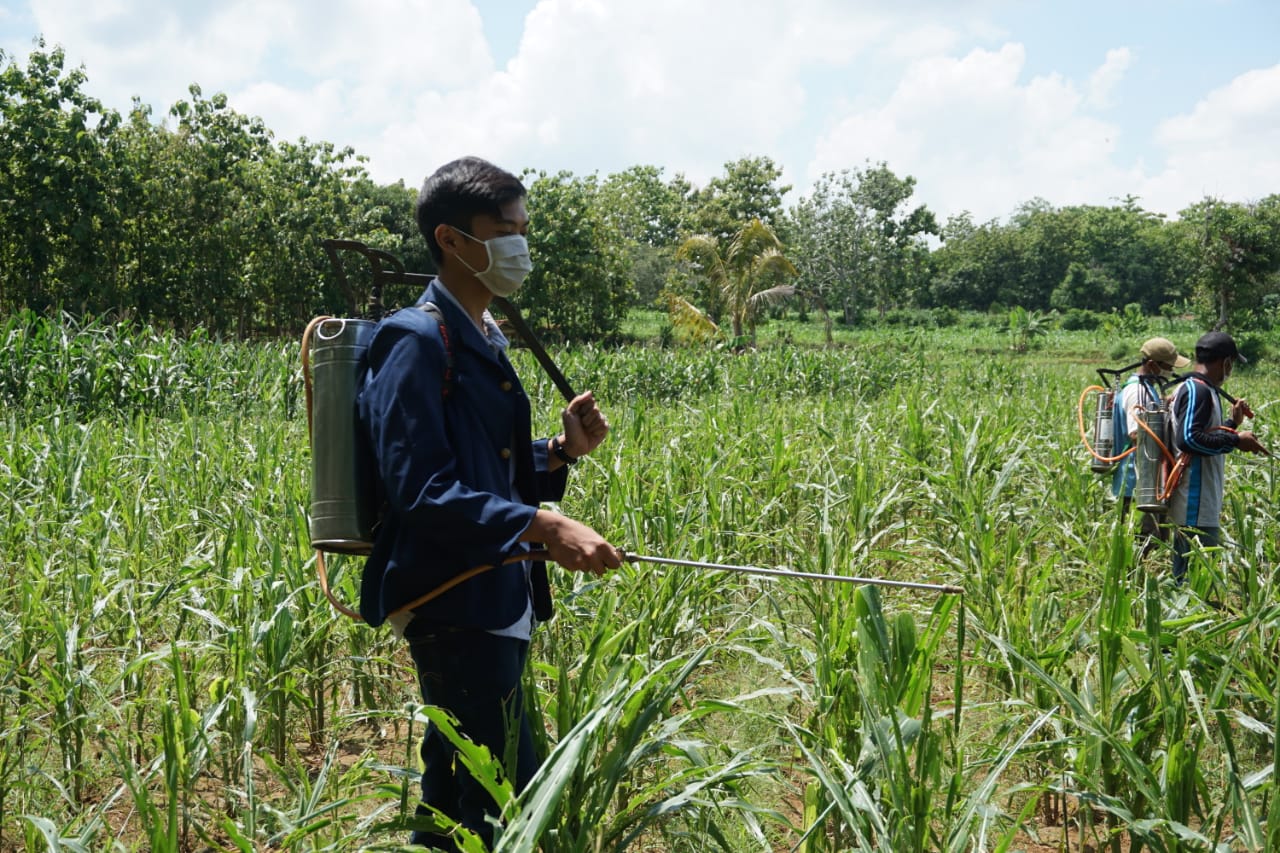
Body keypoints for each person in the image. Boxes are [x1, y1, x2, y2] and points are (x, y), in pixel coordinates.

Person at [356, 156, 624, 848]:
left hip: (489, 598)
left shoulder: (477, 334)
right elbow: (421, 489)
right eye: (505, 232)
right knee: (503, 803)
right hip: (455, 602)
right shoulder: (415, 340)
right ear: (450, 239)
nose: (519, 246)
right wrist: (545, 525)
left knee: (458, 807)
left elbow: (479, 464)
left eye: (523, 231)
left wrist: (558, 454)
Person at [1167, 331, 1267, 584]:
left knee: (1195, 577)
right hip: (1194, 501)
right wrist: (1236, 440)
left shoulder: (1201, 389)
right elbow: (1188, 440)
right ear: (1226, 363)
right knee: (1193, 581)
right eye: (1231, 364)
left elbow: (1204, 435)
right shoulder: (1198, 391)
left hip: (1199, 501)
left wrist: (1232, 424)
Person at [1111, 337, 1189, 552]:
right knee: (1144, 545)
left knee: (1149, 542)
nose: (1171, 371)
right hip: (1137, 483)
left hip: (1143, 482)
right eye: (1168, 367)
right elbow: (1137, 433)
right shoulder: (1138, 392)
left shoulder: (1144, 388)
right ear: (1153, 365)